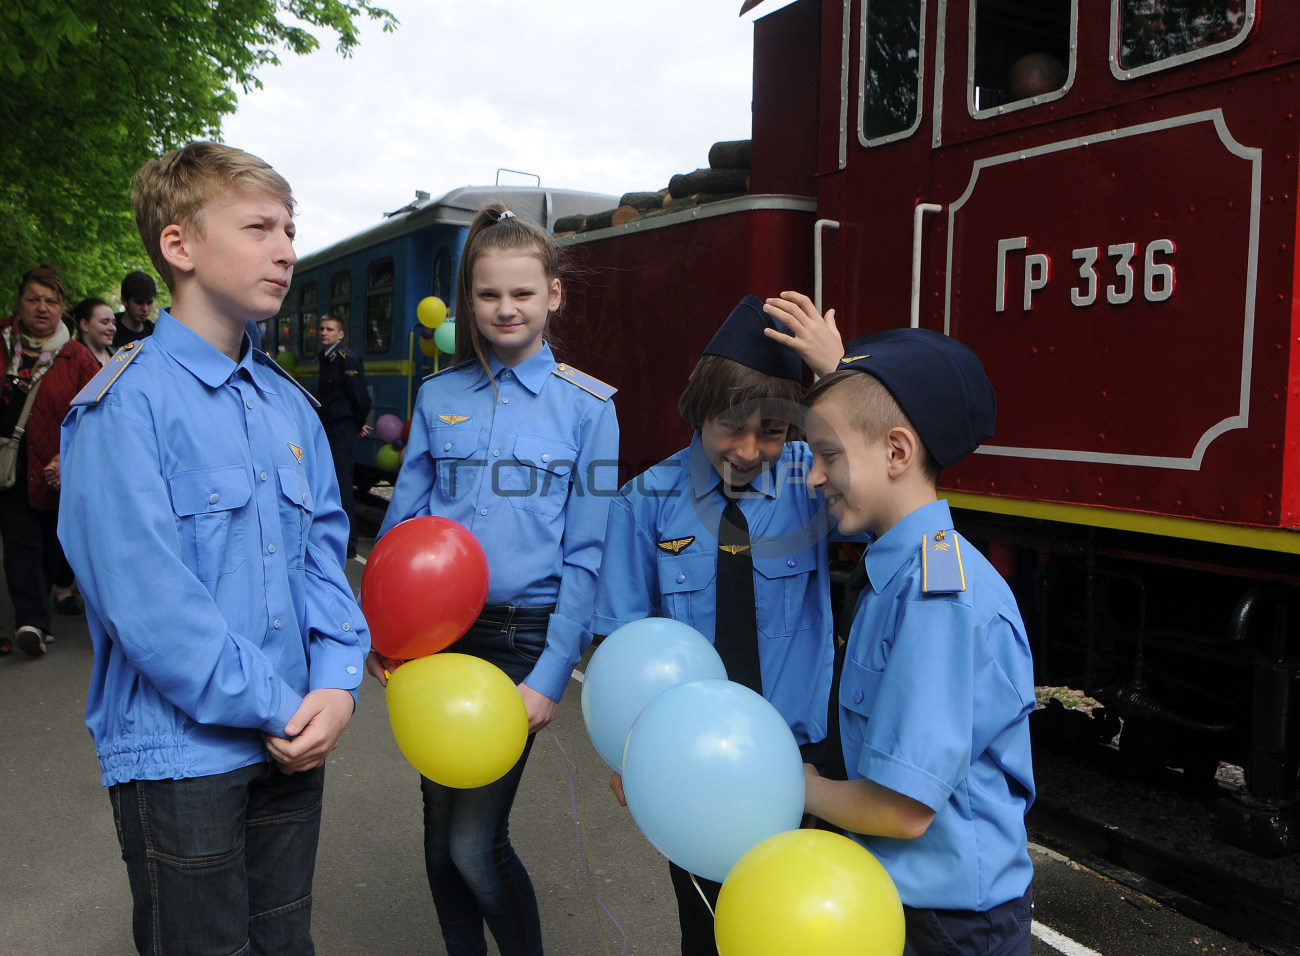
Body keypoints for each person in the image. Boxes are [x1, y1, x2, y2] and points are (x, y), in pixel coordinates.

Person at [58, 141, 370, 954]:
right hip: (180, 760)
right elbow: (149, 607)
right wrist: (281, 704)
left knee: (284, 946)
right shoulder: (122, 408)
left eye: (290, 229)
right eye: (260, 226)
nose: (287, 249)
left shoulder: (290, 407)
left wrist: (337, 684)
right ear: (180, 246)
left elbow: (323, 562)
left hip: (295, 741)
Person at [366, 203, 619, 956]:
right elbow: (401, 527)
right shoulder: (437, 398)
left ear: (553, 296)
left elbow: (587, 554)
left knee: (477, 843)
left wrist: (550, 675)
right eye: (487, 294)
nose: (505, 309)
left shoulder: (590, 409)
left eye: (522, 293)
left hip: (521, 638)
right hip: (434, 643)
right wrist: (383, 632)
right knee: (439, 840)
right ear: (468, 299)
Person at [593, 291, 846, 956]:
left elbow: (888, 476)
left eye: (773, 430)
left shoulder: (813, 483)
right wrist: (630, 755)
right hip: (696, 771)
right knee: (710, 936)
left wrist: (838, 372)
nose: (749, 449)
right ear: (700, 405)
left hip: (803, 765)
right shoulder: (643, 503)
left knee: (803, 933)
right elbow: (623, 643)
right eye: (732, 425)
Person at [800, 328, 1036, 956]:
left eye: (827, 454)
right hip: (907, 904)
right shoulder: (899, 574)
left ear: (898, 452)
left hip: (946, 924)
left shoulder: (939, 599)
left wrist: (791, 783)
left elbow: (903, 810)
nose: (813, 478)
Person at [0, 266, 99, 657]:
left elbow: (96, 411)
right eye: (33, 299)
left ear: (62, 308)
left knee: (50, 542)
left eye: (51, 300)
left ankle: (38, 614)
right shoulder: (3, 344)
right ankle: (32, 622)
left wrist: (68, 455)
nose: (42, 308)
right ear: (19, 303)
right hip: (9, 469)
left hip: (58, 469)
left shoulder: (76, 357)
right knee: (20, 540)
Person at [316, 313, 372, 558]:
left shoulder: (346, 359)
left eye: (329, 329)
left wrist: (358, 424)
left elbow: (360, 397)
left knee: (341, 484)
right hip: (331, 427)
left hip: (341, 428)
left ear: (340, 334)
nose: (323, 332)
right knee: (331, 483)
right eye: (321, 329)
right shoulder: (327, 359)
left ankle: (349, 544)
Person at [112, 269, 157, 348]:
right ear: (124, 301)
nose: (145, 309)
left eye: (149, 303)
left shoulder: (155, 334)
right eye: (139, 303)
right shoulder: (109, 331)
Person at [73, 297, 118, 366]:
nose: (112, 328)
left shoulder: (119, 354)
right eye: (104, 322)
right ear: (84, 325)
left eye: (113, 323)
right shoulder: (73, 361)